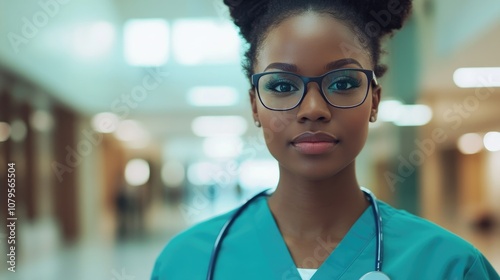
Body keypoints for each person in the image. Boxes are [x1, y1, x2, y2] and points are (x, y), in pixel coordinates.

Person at [151, 0, 500, 279]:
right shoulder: (187, 262)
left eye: (344, 83)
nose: (313, 109)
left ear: (373, 102)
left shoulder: (448, 266)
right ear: (255, 105)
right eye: (283, 86)